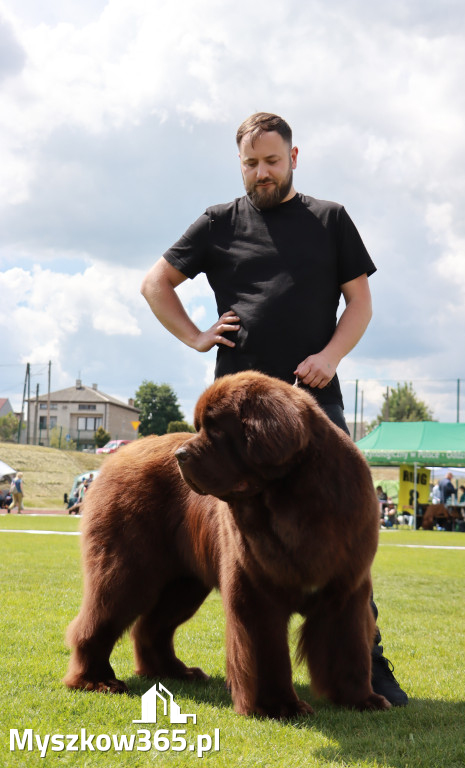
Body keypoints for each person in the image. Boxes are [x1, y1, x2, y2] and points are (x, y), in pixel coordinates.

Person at [141, 111, 408, 706]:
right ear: (240, 164)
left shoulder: (330, 219)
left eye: (271, 160)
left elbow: (359, 304)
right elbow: (156, 284)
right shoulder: (217, 223)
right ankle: (262, 682)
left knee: (345, 545)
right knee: (247, 559)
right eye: (250, 163)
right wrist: (195, 337)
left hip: (317, 410)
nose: (261, 173)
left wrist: (331, 357)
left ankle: (366, 664)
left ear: (294, 156)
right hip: (237, 427)